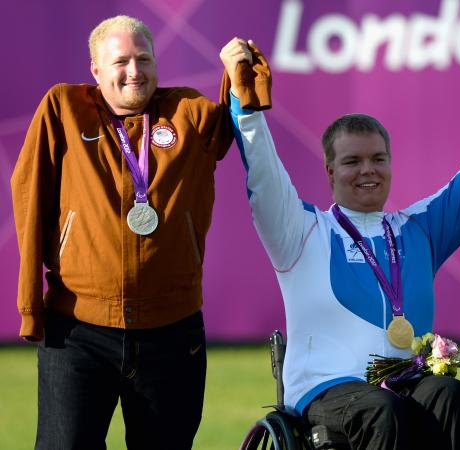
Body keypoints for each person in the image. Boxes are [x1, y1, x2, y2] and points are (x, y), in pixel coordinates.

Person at [219, 24, 460, 450]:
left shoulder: (419, 229)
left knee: (451, 394)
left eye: (378, 159)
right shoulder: (300, 232)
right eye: (353, 161)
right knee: (381, 410)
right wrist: (245, 109)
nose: (368, 170)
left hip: (402, 383)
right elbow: (264, 173)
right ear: (330, 171)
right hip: (327, 391)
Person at [11, 16, 268, 449]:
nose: (135, 71)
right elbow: (28, 197)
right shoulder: (63, 109)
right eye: (121, 61)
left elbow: (240, 129)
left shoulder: (188, 111)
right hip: (78, 330)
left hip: (173, 331)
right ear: (95, 70)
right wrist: (30, 306)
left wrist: (240, 72)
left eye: (144, 59)